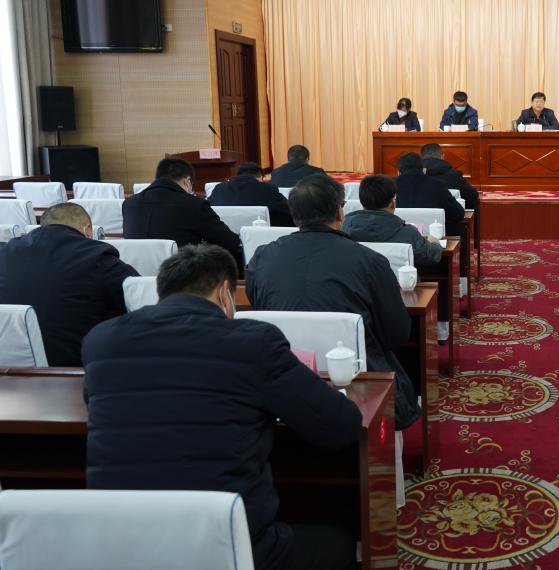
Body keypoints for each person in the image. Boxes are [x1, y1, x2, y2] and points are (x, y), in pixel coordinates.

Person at [83, 245, 362, 570]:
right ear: (224, 293)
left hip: (123, 545)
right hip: (227, 546)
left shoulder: (101, 341)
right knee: (340, 541)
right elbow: (342, 425)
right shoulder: (253, 341)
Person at [245, 174, 420, 431]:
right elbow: (397, 333)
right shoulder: (370, 261)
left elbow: (260, 306)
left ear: (294, 214)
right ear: (340, 212)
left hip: (279, 376)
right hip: (357, 380)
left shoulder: (262, 257)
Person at [0, 203, 138, 366]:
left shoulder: (5, 252)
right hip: (76, 367)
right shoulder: (96, 256)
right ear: (88, 230)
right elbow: (138, 296)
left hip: (8, 368)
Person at [123, 157, 243, 266]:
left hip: (136, 276)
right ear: (187, 181)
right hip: (181, 277)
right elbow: (230, 242)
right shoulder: (193, 204)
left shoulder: (129, 204)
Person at [342, 174, 442, 268]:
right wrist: (435, 243)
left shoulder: (343, 228)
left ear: (362, 201)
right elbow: (431, 256)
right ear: (392, 203)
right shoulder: (409, 233)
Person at [394, 151, 466, 237]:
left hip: (397, 238)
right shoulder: (437, 185)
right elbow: (458, 214)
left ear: (398, 172)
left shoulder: (390, 186)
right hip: (433, 239)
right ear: (424, 170)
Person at [208, 162, 294, 227]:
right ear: (260, 177)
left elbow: (209, 209)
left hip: (223, 240)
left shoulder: (219, 189)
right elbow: (290, 212)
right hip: (261, 239)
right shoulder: (268, 189)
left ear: (238, 175)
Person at [421, 143, 480, 212]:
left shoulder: (415, 174)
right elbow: (472, 195)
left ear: (421, 157)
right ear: (442, 157)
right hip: (449, 216)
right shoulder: (454, 174)